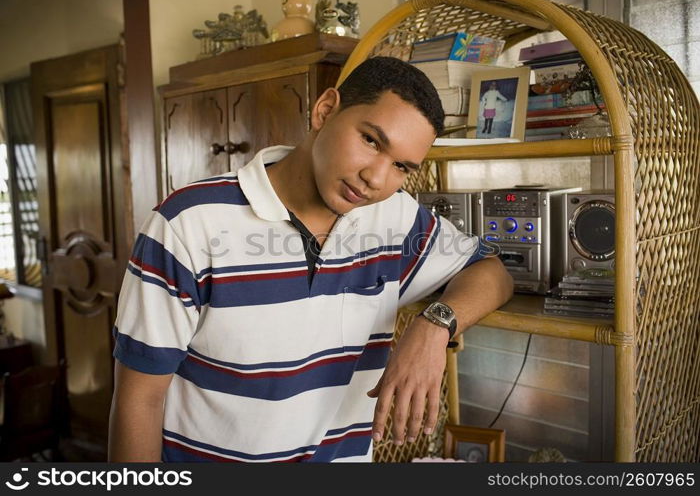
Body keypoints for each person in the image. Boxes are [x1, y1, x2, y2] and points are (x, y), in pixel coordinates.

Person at [108, 56, 513, 462]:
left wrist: (435, 327)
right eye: (371, 140)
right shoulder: (187, 223)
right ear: (325, 110)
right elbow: (138, 401)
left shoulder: (397, 219)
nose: (376, 177)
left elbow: (492, 272)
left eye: (401, 166)